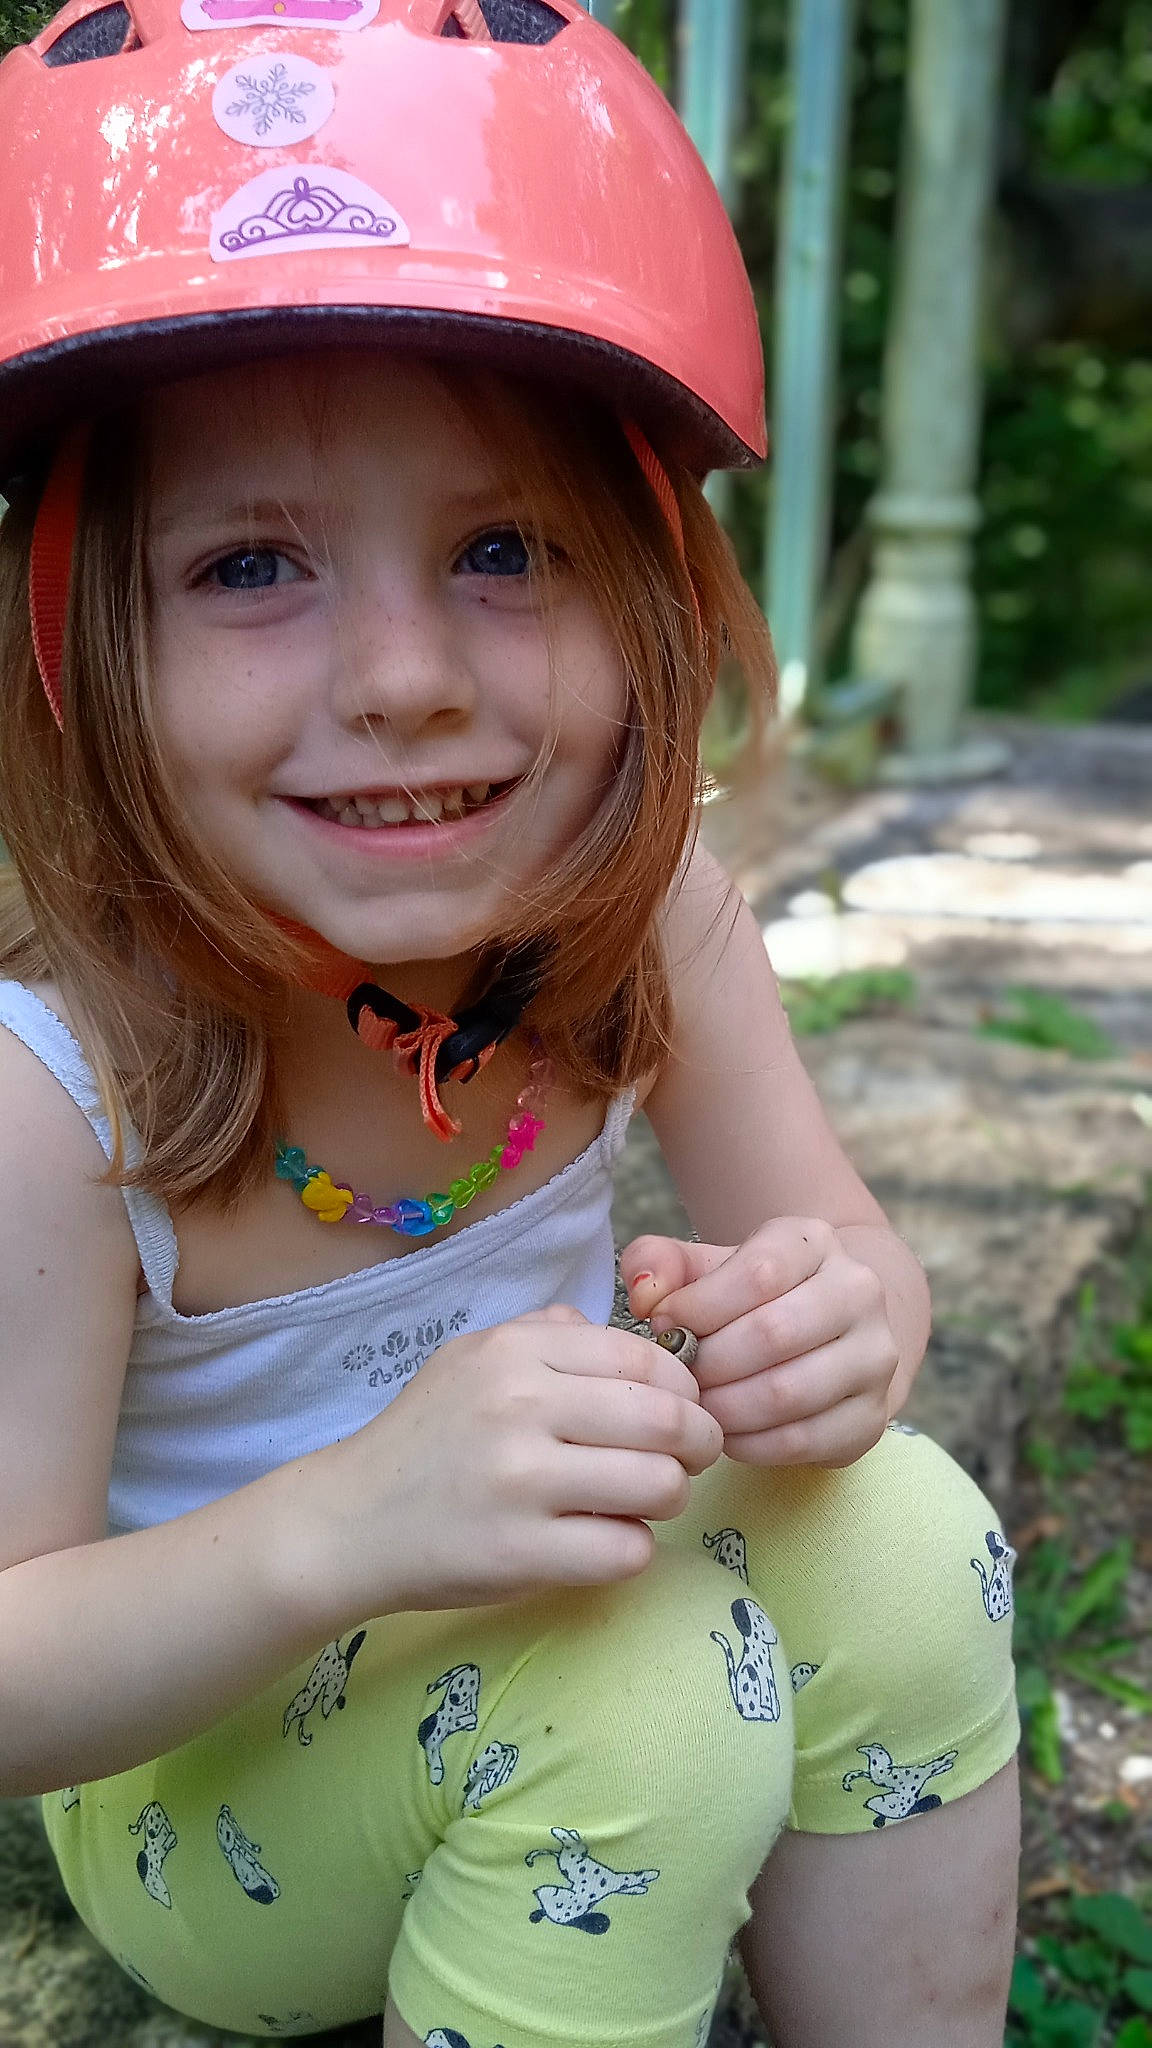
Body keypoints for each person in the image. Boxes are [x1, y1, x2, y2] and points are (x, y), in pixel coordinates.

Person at [0, 3, 1019, 2043]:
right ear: (69, 635)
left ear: (646, 591)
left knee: (905, 1525)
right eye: (253, 564)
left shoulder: (649, 929)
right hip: (210, 1777)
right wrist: (342, 1523)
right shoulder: (60, 1092)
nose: (403, 675)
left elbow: (859, 1268)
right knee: (631, 1691)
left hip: (553, 1611)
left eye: (500, 549)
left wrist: (841, 1327)